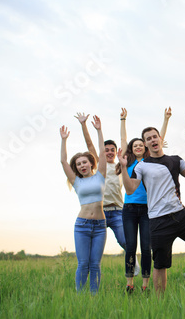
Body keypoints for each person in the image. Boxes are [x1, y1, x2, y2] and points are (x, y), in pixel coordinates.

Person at [117, 126, 185, 295]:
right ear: (145, 144)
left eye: (154, 137)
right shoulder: (141, 167)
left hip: (180, 214)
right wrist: (123, 168)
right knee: (160, 263)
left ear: (160, 139)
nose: (152, 140)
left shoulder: (175, 160)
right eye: (148, 138)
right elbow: (129, 190)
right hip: (158, 220)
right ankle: (160, 303)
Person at [116, 107, 172, 294]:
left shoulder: (150, 162)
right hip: (130, 209)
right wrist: (123, 120)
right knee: (130, 246)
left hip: (148, 209)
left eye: (142, 145)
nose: (139, 147)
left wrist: (166, 119)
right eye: (136, 145)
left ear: (146, 147)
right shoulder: (129, 162)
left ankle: (145, 284)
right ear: (131, 149)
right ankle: (129, 283)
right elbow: (123, 140)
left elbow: (160, 138)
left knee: (146, 247)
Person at [74, 113, 138, 275]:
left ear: (117, 152)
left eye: (112, 150)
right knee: (93, 255)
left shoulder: (120, 167)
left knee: (126, 241)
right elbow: (90, 145)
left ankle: (132, 261)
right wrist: (84, 125)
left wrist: (122, 120)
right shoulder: (98, 167)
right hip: (99, 214)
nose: (109, 152)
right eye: (106, 150)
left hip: (117, 212)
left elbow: (125, 141)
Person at [59, 115, 107, 294]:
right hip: (82, 226)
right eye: (78, 164)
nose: (81, 166)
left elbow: (102, 153)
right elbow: (63, 162)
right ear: (76, 167)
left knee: (95, 264)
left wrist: (99, 130)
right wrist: (64, 141)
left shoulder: (100, 175)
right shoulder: (76, 181)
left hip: (100, 226)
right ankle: (80, 296)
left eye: (84, 162)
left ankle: (93, 297)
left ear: (90, 163)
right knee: (83, 264)